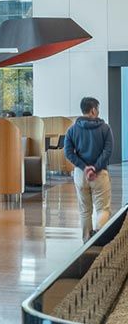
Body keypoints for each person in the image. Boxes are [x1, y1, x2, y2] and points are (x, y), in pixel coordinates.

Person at [63, 96, 114, 239]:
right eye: (97, 109)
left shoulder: (72, 130)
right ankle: (99, 239)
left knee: (85, 211)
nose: (98, 111)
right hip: (100, 174)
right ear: (93, 110)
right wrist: (95, 168)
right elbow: (108, 151)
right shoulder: (105, 128)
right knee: (103, 209)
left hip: (80, 175)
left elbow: (68, 152)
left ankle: (86, 242)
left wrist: (84, 168)